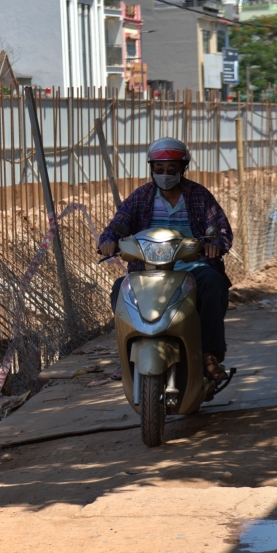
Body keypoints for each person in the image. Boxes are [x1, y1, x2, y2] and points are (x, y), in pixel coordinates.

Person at [98, 137, 234, 382]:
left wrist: (215, 245)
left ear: (183, 169)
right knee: (121, 290)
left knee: (214, 284)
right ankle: (129, 355)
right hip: (147, 270)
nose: (165, 174)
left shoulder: (199, 196)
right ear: (152, 169)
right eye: (159, 169)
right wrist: (107, 241)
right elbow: (116, 225)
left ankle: (209, 355)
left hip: (192, 268)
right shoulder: (140, 197)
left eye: (172, 169)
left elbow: (222, 230)